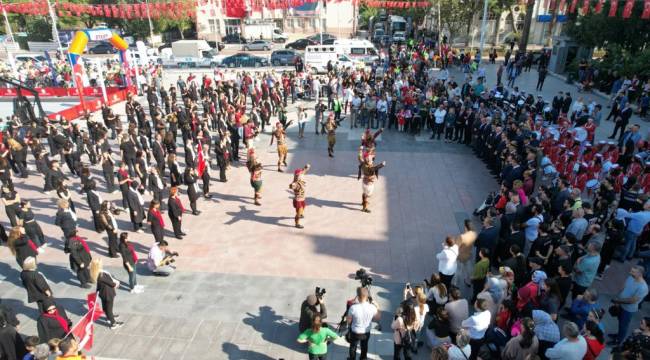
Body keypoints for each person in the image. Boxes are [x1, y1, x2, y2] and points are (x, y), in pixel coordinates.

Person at [610, 265, 649, 346]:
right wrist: (618, 298)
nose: (630, 272)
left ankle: (618, 340)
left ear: (640, 274)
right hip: (621, 305)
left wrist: (618, 301)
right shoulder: (631, 277)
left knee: (623, 325)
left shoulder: (643, 287)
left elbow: (632, 301)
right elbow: (623, 287)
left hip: (628, 309)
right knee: (620, 322)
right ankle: (618, 335)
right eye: (631, 271)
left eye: (633, 272)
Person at [346, 287, 381, 360]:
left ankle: (352, 358)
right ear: (367, 296)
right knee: (364, 346)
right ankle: (363, 358)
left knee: (353, 346)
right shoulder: (372, 307)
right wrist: (377, 307)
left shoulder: (353, 308)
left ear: (358, 297)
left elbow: (348, 321)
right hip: (366, 332)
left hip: (355, 332)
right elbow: (377, 318)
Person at [89, 258, 123, 330]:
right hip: (108, 294)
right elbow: (111, 284)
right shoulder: (102, 275)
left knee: (105, 307)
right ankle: (113, 323)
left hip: (103, 293)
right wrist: (116, 284)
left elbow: (99, 285)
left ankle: (109, 317)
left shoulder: (96, 273)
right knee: (109, 309)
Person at [357, 147, 386, 213]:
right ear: (367, 160)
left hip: (364, 182)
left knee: (364, 193)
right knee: (368, 195)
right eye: (370, 159)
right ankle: (365, 207)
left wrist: (360, 150)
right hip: (369, 184)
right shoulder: (368, 167)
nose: (371, 160)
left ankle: (363, 201)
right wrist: (382, 165)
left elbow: (359, 157)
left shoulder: (362, 162)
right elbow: (374, 168)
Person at [289, 164, 310, 229]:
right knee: (299, 212)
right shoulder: (296, 182)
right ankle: (297, 223)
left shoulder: (301, 176)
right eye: (299, 174)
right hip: (298, 200)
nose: (301, 174)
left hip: (302, 198)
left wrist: (306, 167)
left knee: (303, 207)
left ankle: (300, 214)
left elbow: (304, 171)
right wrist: (292, 185)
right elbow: (291, 186)